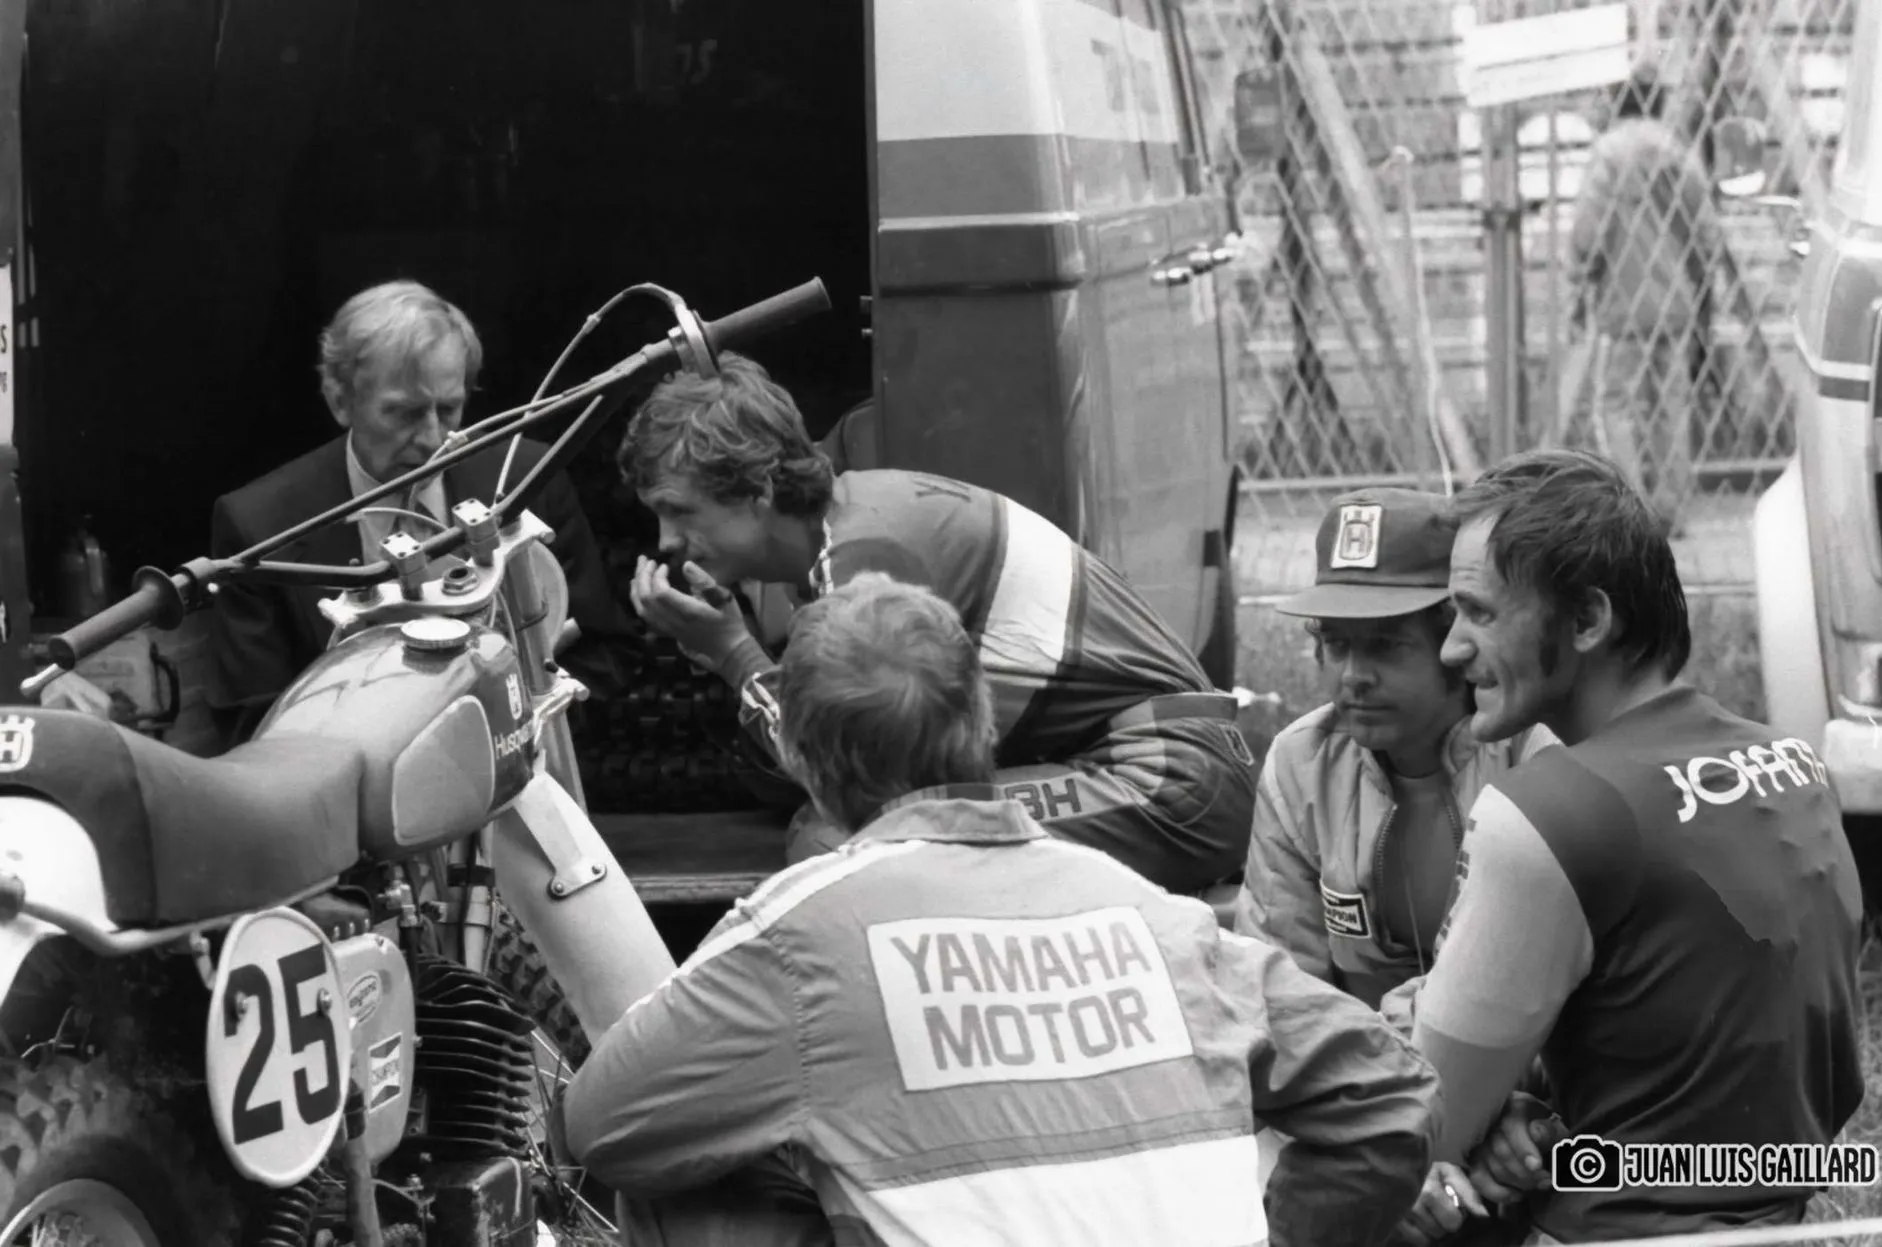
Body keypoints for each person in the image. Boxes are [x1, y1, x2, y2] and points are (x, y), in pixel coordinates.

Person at [559, 571, 1442, 1247]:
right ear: (986, 723)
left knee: (681, 1173)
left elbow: (605, 1125)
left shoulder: (801, 929)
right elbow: (1391, 1095)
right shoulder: (1159, 915)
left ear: (796, 754)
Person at [1393, 449, 1862, 1246]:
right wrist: (1534, 1113)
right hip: (1777, 1218)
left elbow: (1423, 1120)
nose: (1452, 648)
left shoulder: (1553, 811)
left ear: (1587, 620)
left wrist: (1484, 1113)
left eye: (1479, 613)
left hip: (1608, 1227)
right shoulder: (1793, 761)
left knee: (1349, 1161)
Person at [618, 351, 1255, 896]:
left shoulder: (866, 552)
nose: (666, 540)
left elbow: (844, 771)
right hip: (1137, 764)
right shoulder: (839, 531)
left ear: (758, 490)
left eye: (680, 511)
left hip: (1165, 776)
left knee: (837, 843)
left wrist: (735, 656)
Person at [207, 280, 640, 745]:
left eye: (449, 409)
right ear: (339, 400)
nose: (435, 439)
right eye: (405, 413)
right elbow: (256, 728)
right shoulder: (260, 527)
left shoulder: (529, 477)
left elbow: (603, 657)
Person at [1237, 488, 1552, 1010]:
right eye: (1337, 644)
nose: (1353, 676)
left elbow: (1542, 977)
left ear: (1456, 642)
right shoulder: (1302, 764)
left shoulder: (1532, 755)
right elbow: (1278, 982)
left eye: (1386, 646)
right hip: (1353, 1055)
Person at [1568, 60, 1724, 534]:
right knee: (1670, 403)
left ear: (1617, 101)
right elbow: (1706, 230)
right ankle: (1672, 508)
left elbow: (1589, 229)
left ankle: (1630, 511)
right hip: (1675, 299)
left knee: (1616, 402)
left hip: (1623, 298)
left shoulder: (1609, 153)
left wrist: (1579, 277)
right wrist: (1702, 282)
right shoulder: (1677, 151)